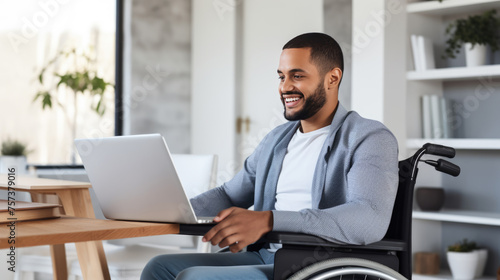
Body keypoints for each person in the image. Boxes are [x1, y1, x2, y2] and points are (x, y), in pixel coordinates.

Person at [141, 32, 399, 280]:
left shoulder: (369, 137)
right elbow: (230, 195)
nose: (285, 87)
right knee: (160, 268)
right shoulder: (277, 139)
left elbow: (369, 217)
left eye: (297, 76)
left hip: (317, 264)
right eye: (281, 76)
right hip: (266, 256)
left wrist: (268, 221)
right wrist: (172, 210)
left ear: (332, 78)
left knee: (193, 277)